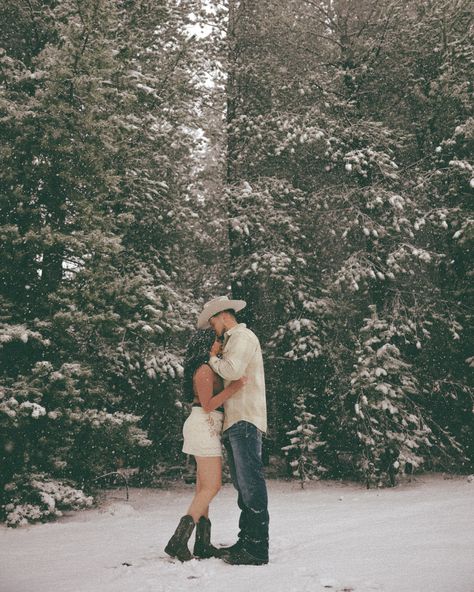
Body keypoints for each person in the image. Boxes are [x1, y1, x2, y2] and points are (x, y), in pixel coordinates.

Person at [197, 295, 270, 566]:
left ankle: (257, 549)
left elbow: (232, 370)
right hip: (237, 420)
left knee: (250, 482)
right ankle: (247, 541)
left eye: (213, 320)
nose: (212, 327)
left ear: (223, 315)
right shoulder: (234, 339)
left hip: (245, 419)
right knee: (243, 485)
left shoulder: (243, 337)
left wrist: (212, 358)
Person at [164, 329, 247, 562]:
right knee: (213, 486)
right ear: (205, 346)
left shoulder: (210, 368)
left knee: (204, 488)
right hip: (203, 425)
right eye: (216, 342)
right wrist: (234, 388)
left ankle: (202, 543)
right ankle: (178, 541)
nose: (220, 345)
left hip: (207, 426)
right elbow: (209, 405)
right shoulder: (203, 370)